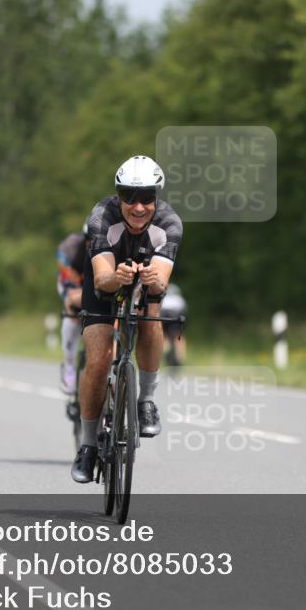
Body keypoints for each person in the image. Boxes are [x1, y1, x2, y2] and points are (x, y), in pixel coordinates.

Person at [71, 155, 183, 483]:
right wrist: (117, 277)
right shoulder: (101, 217)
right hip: (104, 281)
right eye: (129, 197)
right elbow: (102, 278)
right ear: (118, 196)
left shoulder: (170, 223)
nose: (138, 207)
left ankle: (146, 400)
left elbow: (162, 283)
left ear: (157, 197)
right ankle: (89, 444)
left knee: (151, 317)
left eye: (147, 197)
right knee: (99, 359)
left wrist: (151, 280)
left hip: (148, 279)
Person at [56, 223, 88, 394]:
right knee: (73, 304)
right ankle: (69, 366)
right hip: (73, 285)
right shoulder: (70, 246)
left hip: (102, 287)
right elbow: (66, 278)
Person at [160, 283, 188, 366]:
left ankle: (165, 355)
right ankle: (180, 358)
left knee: (165, 336)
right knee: (178, 337)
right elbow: (185, 314)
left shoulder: (163, 298)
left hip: (164, 313)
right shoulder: (180, 299)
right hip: (177, 314)